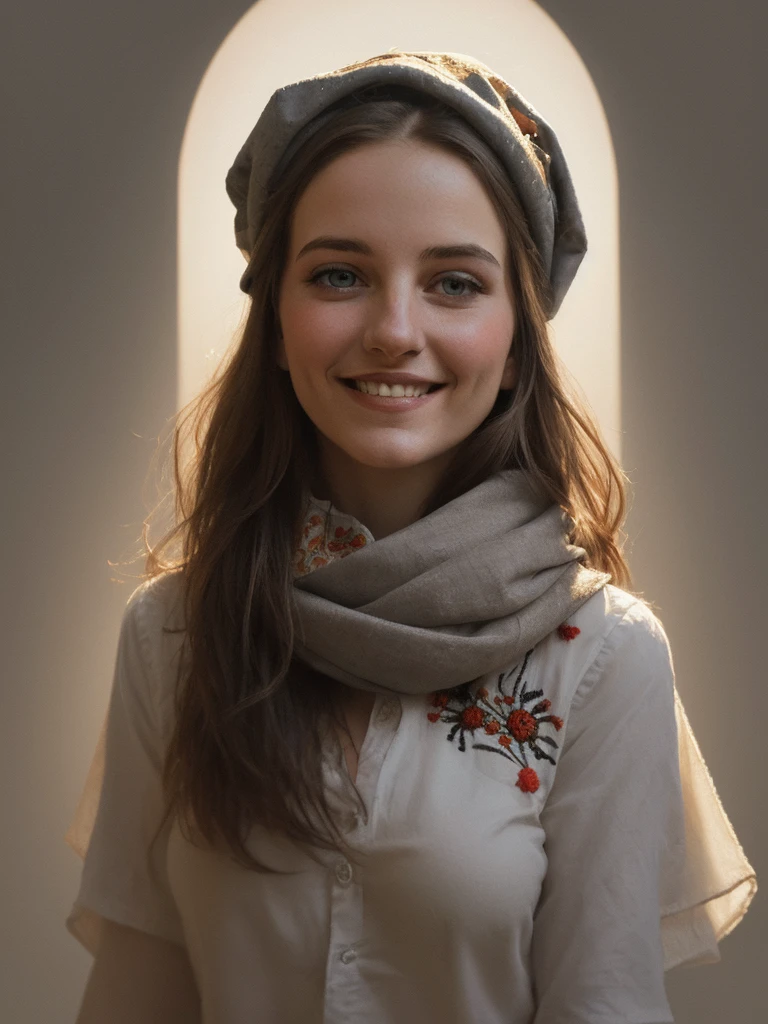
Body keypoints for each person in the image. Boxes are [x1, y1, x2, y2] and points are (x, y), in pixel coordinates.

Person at [65, 51, 756, 1024]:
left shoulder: (603, 658)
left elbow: (605, 1005)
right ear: (274, 321)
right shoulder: (174, 638)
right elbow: (138, 996)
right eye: (340, 273)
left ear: (518, 334)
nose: (394, 328)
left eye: (454, 283)